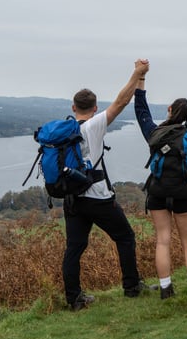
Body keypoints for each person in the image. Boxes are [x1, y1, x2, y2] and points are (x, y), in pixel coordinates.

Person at [63, 60, 150, 311]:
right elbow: (121, 102)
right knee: (125, 237)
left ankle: (74, 298)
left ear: (73, 107)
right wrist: (137, 73)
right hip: (97, 196)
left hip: (72, 199)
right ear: (94, 108)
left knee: (74, 248)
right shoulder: (94, 125)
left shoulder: (65, 130)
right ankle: (131, 286)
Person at [134, 61, 187, 302]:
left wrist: (141, 77)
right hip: (183, 191)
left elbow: (141, 110)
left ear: (169, 110)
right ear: (186, 115)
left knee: (163, 241)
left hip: (157, 191)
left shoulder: (154, 133)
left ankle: (166, 289)